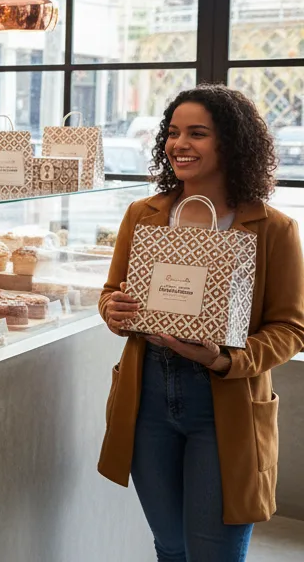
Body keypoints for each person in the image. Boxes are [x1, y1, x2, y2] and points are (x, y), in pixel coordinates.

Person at [99, 84, 304, 561]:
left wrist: (225, 357)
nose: (178, 144)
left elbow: (291, 328)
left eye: (197, 133)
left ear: (230, 143)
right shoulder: (143, 214)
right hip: (147, 394)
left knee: (213, 554)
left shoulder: (273, 228)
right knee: (170, 546)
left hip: (224, 403)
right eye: (172, 133)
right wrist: (114, 310)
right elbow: (112, 293)